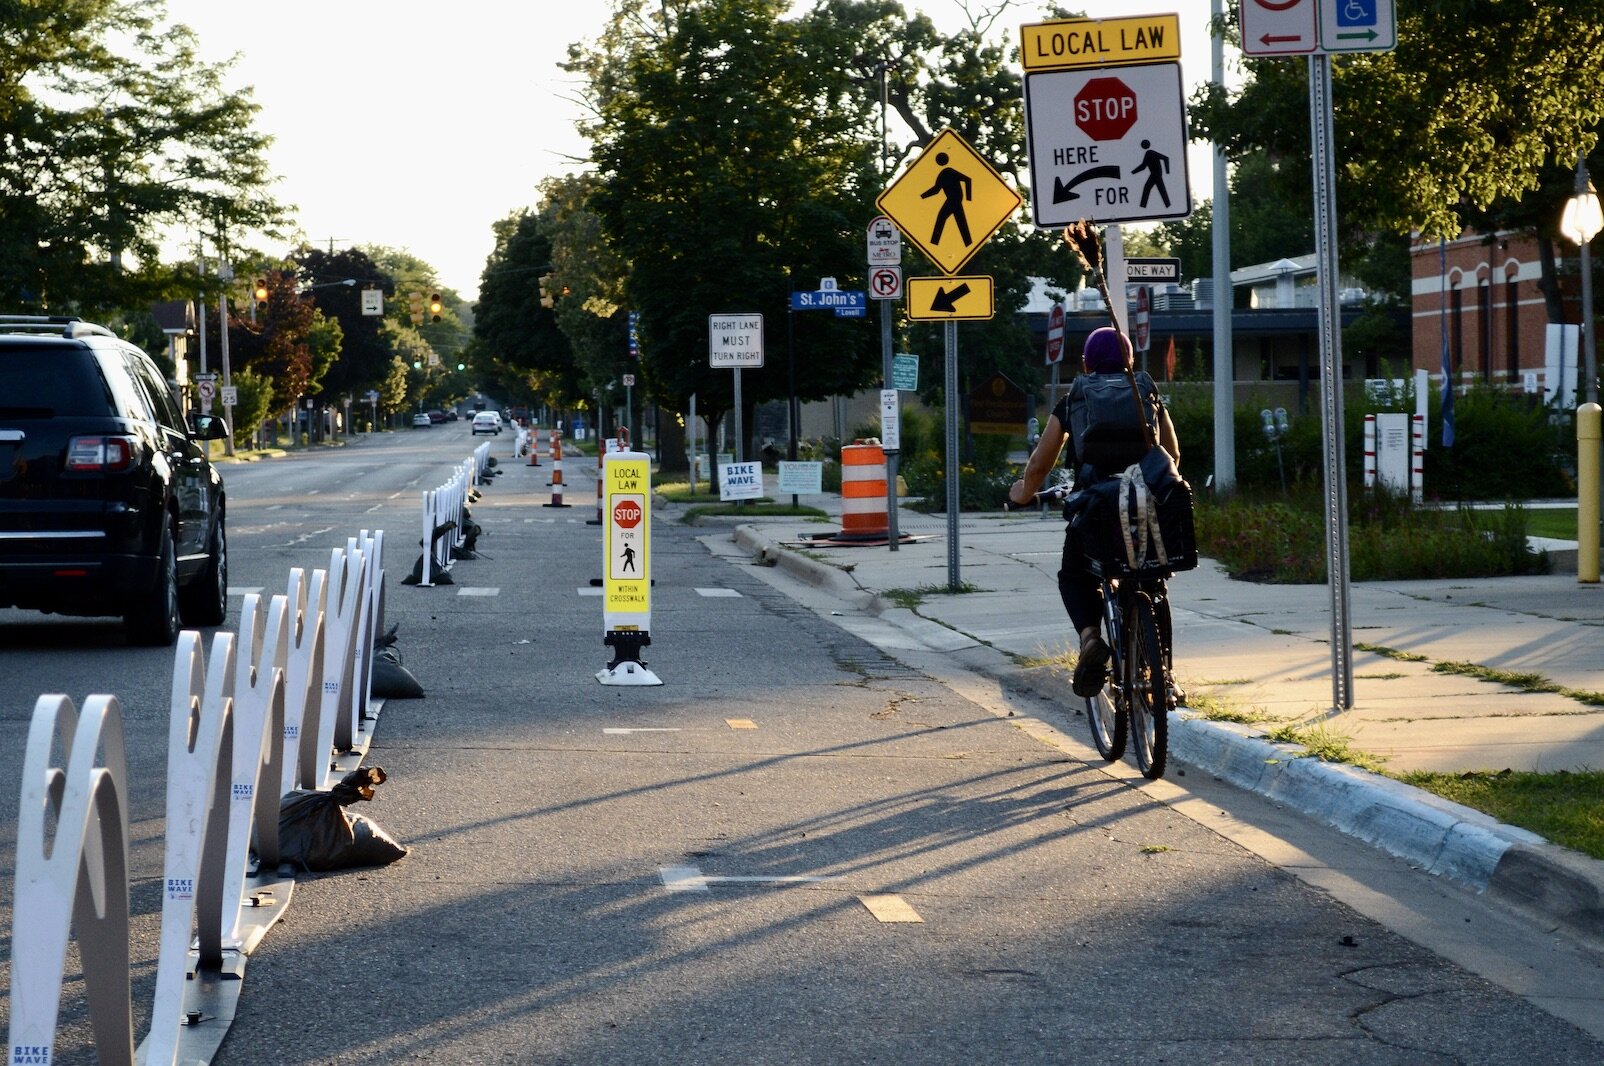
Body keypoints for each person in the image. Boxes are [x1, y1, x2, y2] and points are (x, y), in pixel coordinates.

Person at [1007, 326, 1180, 697]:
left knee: (1074, 575)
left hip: (1097, 509)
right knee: (1154, 584)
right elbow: (1173, 455)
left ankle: (1089, 639)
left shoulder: (1075, 398)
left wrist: (1021, 493)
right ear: (1130, 360)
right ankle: (1164, 677)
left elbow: (1040, 464)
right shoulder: (1145, 391)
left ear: (1086, 362)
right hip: (1144, 507)